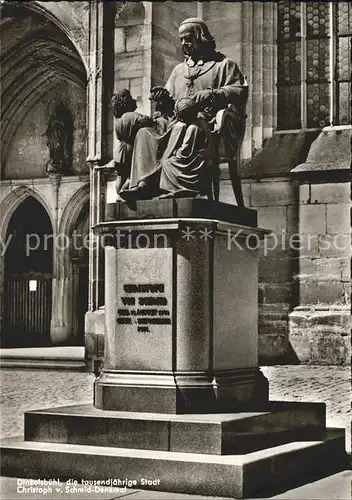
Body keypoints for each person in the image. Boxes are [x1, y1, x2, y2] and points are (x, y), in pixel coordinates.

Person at [119, 17, 248, 203]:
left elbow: (239, 91)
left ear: (201, 38)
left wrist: (212, 94)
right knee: (144, 133)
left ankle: (178, 187)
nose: (183, 44)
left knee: (190, 128)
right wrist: (163, 98)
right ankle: (144, 184)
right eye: (181, 40)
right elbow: (172, 106)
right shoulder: (179, 70)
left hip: (209, 126)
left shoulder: (224, 65)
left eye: (188, 39)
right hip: (175, 122)